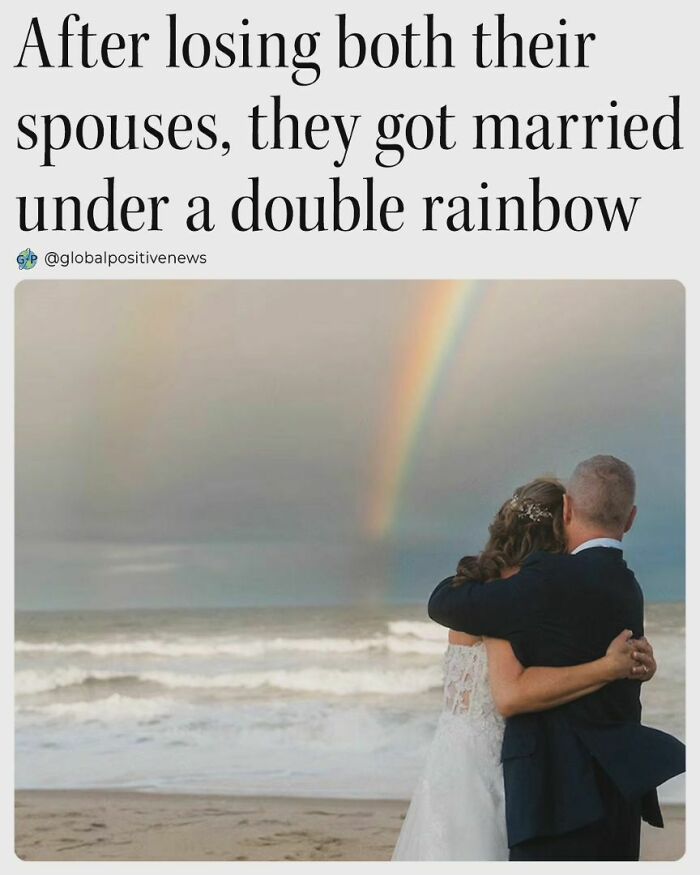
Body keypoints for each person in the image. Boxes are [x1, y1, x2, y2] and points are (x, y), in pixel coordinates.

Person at [427, 456, 685, 861]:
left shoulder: (540, 583)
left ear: (569, 509)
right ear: (630, 518)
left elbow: (446, 603)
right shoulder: (627, 585)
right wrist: (623, 668)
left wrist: (479, 571)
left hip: (555, 799)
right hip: (617, 799)